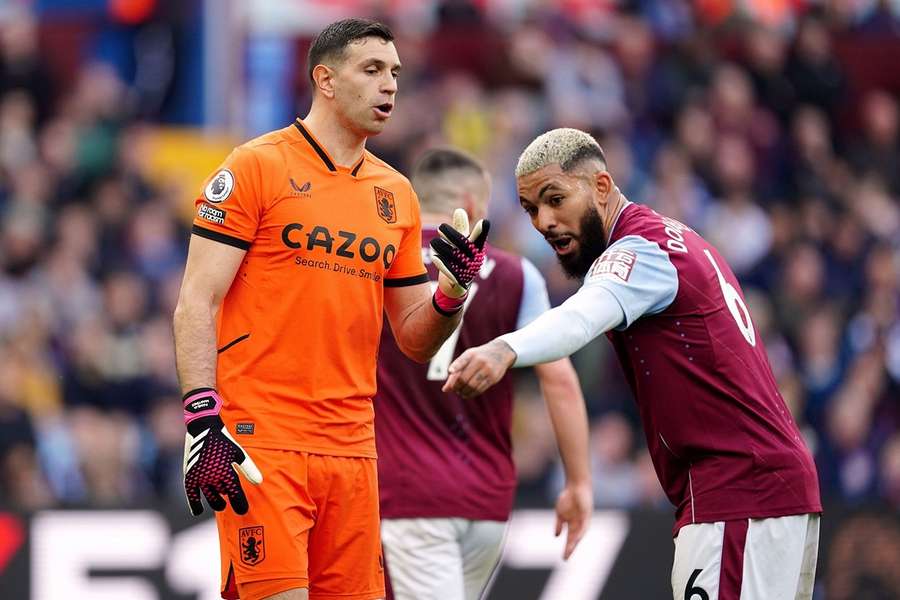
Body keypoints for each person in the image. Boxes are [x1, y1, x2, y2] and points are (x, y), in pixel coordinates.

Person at [173, 19, 489, 600]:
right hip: (261, 440)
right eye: (371, 71)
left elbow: (416, 339)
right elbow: (197, 299)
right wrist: (201, 419)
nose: (389, 86)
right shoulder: (254, 166)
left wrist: (451, 294)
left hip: (353, 449)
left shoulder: (396, 194)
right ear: (325, 78)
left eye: (394, 73)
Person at [444, 128, 822, 600]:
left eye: (556, 199)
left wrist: (505, 348)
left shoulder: (638, 251)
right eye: (530, 209)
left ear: (601, 187)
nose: (544, 221)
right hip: (767, 489)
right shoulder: (678, 239)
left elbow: (581, 315)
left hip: (739, 490)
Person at [374, 148, 592, 600]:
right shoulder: (518, 275)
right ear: (472, 205)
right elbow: (559, 380)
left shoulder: (380, 263)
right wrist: (578, 482)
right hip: (487, 501)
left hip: (406, 493)